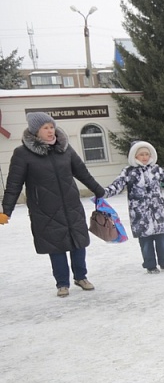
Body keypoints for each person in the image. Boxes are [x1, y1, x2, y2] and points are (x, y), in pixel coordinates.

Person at [1, 111, 106, 296]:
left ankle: (81, 277)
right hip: (44, 209)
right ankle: (62, 284)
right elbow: (14, 184)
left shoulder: (65, 149)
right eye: (46, 128)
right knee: (55, 246)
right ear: (35, 131)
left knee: (78, 242)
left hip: (71, 205)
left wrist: (98, 190)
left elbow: (82, 172)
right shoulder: (22, 154)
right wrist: (6, 210)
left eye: (52, 127)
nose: (51, 131)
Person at [101, 141, 164, 273]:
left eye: (147, 154)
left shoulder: (156, 170)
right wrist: (103, 193)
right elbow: (117, 185)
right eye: (141, 154)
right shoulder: (128, 172)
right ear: (134, 156)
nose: (145, 157)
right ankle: (150, 265)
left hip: (158, 212)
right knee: (146, 242)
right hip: (140, 214)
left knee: (163, 240)